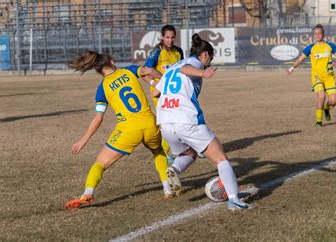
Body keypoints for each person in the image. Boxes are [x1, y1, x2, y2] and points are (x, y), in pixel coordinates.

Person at [64, 51, 178, 209]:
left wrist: (83, 141)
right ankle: (168, 188)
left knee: (100, 163)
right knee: (158, 151)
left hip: (129, 130)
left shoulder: (102, 88)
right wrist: (162, 82)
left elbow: (98, 118)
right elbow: (149, 71)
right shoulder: (129, 70)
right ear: (112, 61)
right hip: (150, 123)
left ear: (97, 70)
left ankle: (87, 194)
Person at [152, 34, 252, 210]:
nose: (208, 62)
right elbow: (186, 69)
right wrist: (202, 72)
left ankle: (174, 170)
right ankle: (234, 198)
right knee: (221, 158)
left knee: (189, 153)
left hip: (166, 122)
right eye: (210, 59)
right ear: (205, 55)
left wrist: (154, 79)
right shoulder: (192, 63)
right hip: (186, 120)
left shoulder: (171, 68)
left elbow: (155, 93)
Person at [287, 24, 336, 127]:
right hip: (317, 76)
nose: (317, 35)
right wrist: (292, 68)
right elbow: (300, 59)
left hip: (329, 77)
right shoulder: (310, 47)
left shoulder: (330, 45)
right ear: (314, 35)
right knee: (321, 96)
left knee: (333, 101)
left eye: (319, 33)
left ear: (323, 34)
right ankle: (318, 122)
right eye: (315, 34)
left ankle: (326, 109)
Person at [144, 24, 184, 164]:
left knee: (177, 120)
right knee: (167, 121)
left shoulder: (178, 51)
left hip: (173, 91)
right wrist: (154, 84)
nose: (170, 40)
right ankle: (165, 152)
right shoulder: (156, 52)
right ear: (162, 37)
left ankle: (171, 149)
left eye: (173, 37)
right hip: (159, 93)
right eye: (167, 37)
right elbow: (144, 72)